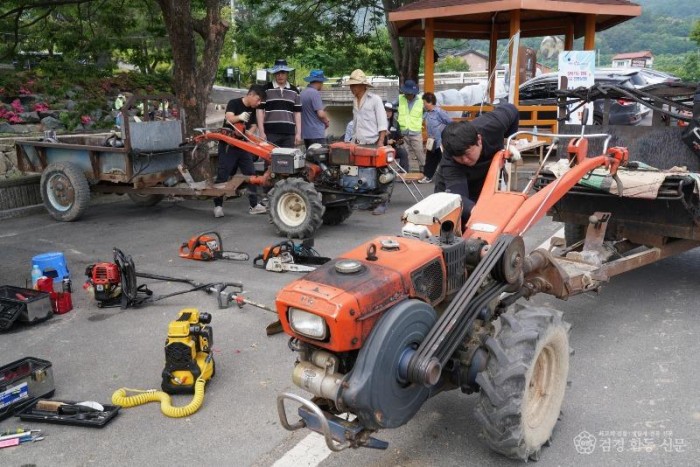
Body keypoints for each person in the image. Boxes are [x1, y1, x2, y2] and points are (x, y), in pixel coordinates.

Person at [434, 103, 519, 222]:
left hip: (481, 179)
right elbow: (458, 198)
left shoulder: (492, 125)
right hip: (451, 191)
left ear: (479, 139)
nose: (465, 160)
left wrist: (509, 141)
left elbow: (512, 109)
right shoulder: (450, 160)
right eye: (459, 157)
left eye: (467, 153)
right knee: (459, 219)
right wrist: (478, 213)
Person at [213, 84, 267, 218]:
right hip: (228, 145)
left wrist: (249, 132)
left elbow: (253, 125)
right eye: (258, 99)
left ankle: (254, 205)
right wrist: (240, 117)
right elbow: (229, 118)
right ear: (251, 94)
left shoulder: (253, 109)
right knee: (223, 174)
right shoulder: (234, 103)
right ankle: (218, 206)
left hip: (243, 146)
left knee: (251, 174)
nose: (258, 103)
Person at [345, 69, 389, 215]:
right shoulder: (354, 100)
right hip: (357, 142)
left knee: (379, 174)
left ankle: (382, 202)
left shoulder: (375, 100)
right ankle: (365, 200)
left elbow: (382, 122)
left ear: (363, 86)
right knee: (360, 173)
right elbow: (355, 123)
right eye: (351, 85)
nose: (352, 88)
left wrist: (381, 141)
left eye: (355, 85)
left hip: (373, 141)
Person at [256, 59, 302, 148]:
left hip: (289, 133)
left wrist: (298, 133)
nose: (280, 75)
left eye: (283, 73)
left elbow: (297, 113)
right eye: (277, 73)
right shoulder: (265, 89)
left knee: (288, 156)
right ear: (274, 74)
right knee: (270, 156)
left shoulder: (294, 91)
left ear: (287, 74)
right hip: (270, 132)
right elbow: (259, 111)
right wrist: (261, 131)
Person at [419, 92, 453, 184]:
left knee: (443, 160)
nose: (424, 105)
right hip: (431, 141)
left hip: (440, 142)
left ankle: (448, 178)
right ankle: (428, 176)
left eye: (425, 103)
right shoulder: (427, 113)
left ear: (430, 102)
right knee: (429, 159)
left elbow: (450, 123)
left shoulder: (439, 112)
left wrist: (442, 130)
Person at [397, 79, 425, 172]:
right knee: (404, 154)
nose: (408, 95)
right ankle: (405, 171)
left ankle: (424, 171)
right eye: (406, 93)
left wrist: (422, 118)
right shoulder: (399, 99)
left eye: (410, 93)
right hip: (403, 132)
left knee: (419, 152)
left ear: (414, 93)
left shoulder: (421, 100)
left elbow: (428, 111)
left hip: (415, 132)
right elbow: (391, 108)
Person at [300, 69, 330, 148]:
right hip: (316, 133)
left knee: (309, 154)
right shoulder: (315, 93)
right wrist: (326, 121)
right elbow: (320, 114)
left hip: (306, 134)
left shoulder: (302, 93)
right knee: (319, 154)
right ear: (320, 82)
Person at [382, 102, 409, 172]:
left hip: (391, 150)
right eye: (386, 111)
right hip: (380, 149)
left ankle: (404, 173)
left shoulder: (395, 123)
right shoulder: (377, 123)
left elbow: (398, 137)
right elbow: (374, 138)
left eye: (390, 111)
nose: (388, 113)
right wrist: (386, 142)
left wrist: (399, 141)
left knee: (403, 152)